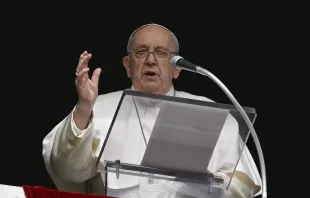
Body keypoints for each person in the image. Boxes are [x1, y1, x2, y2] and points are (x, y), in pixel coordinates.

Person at [42, 23, 262, 198]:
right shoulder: (97, 108)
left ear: (177, 69)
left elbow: (243, 187)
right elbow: (68, 170)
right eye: (141, 52)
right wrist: (83, 107)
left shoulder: (211, 114)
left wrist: (209, 185)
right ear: (128, 65)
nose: (150, 60)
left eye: (161, 53)